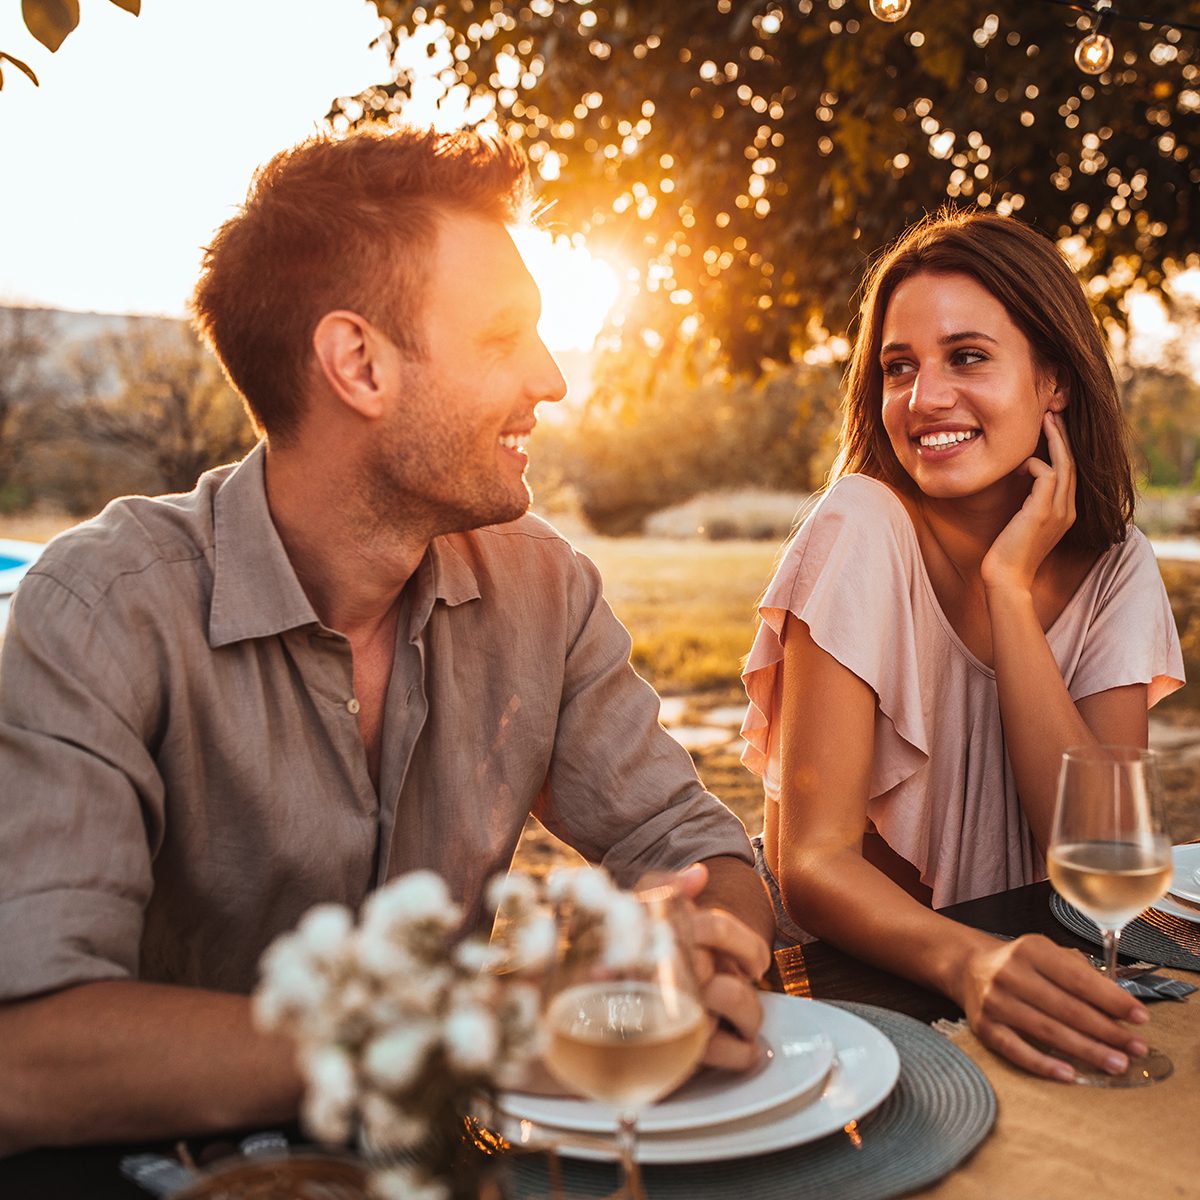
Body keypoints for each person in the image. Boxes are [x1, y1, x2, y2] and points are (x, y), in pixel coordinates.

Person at [0, 127, 774, 1154]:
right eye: (503, 337)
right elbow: (31, 1057)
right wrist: (475, 1037)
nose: (552, 378)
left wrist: (701, 954)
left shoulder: (542, 587)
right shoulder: (101, 611)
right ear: (358, 363)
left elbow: (699, 850)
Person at [741, 209, 1185, 1082]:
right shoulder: (861, 524)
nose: (923, 398)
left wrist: (1009, 592)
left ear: (1054, 378)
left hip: (1030, 966)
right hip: (865, 1000)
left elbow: (1088, 848)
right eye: (898, 368)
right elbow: (813, 867)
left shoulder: (1117, 564)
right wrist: (971, 963)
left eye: (967, 357)